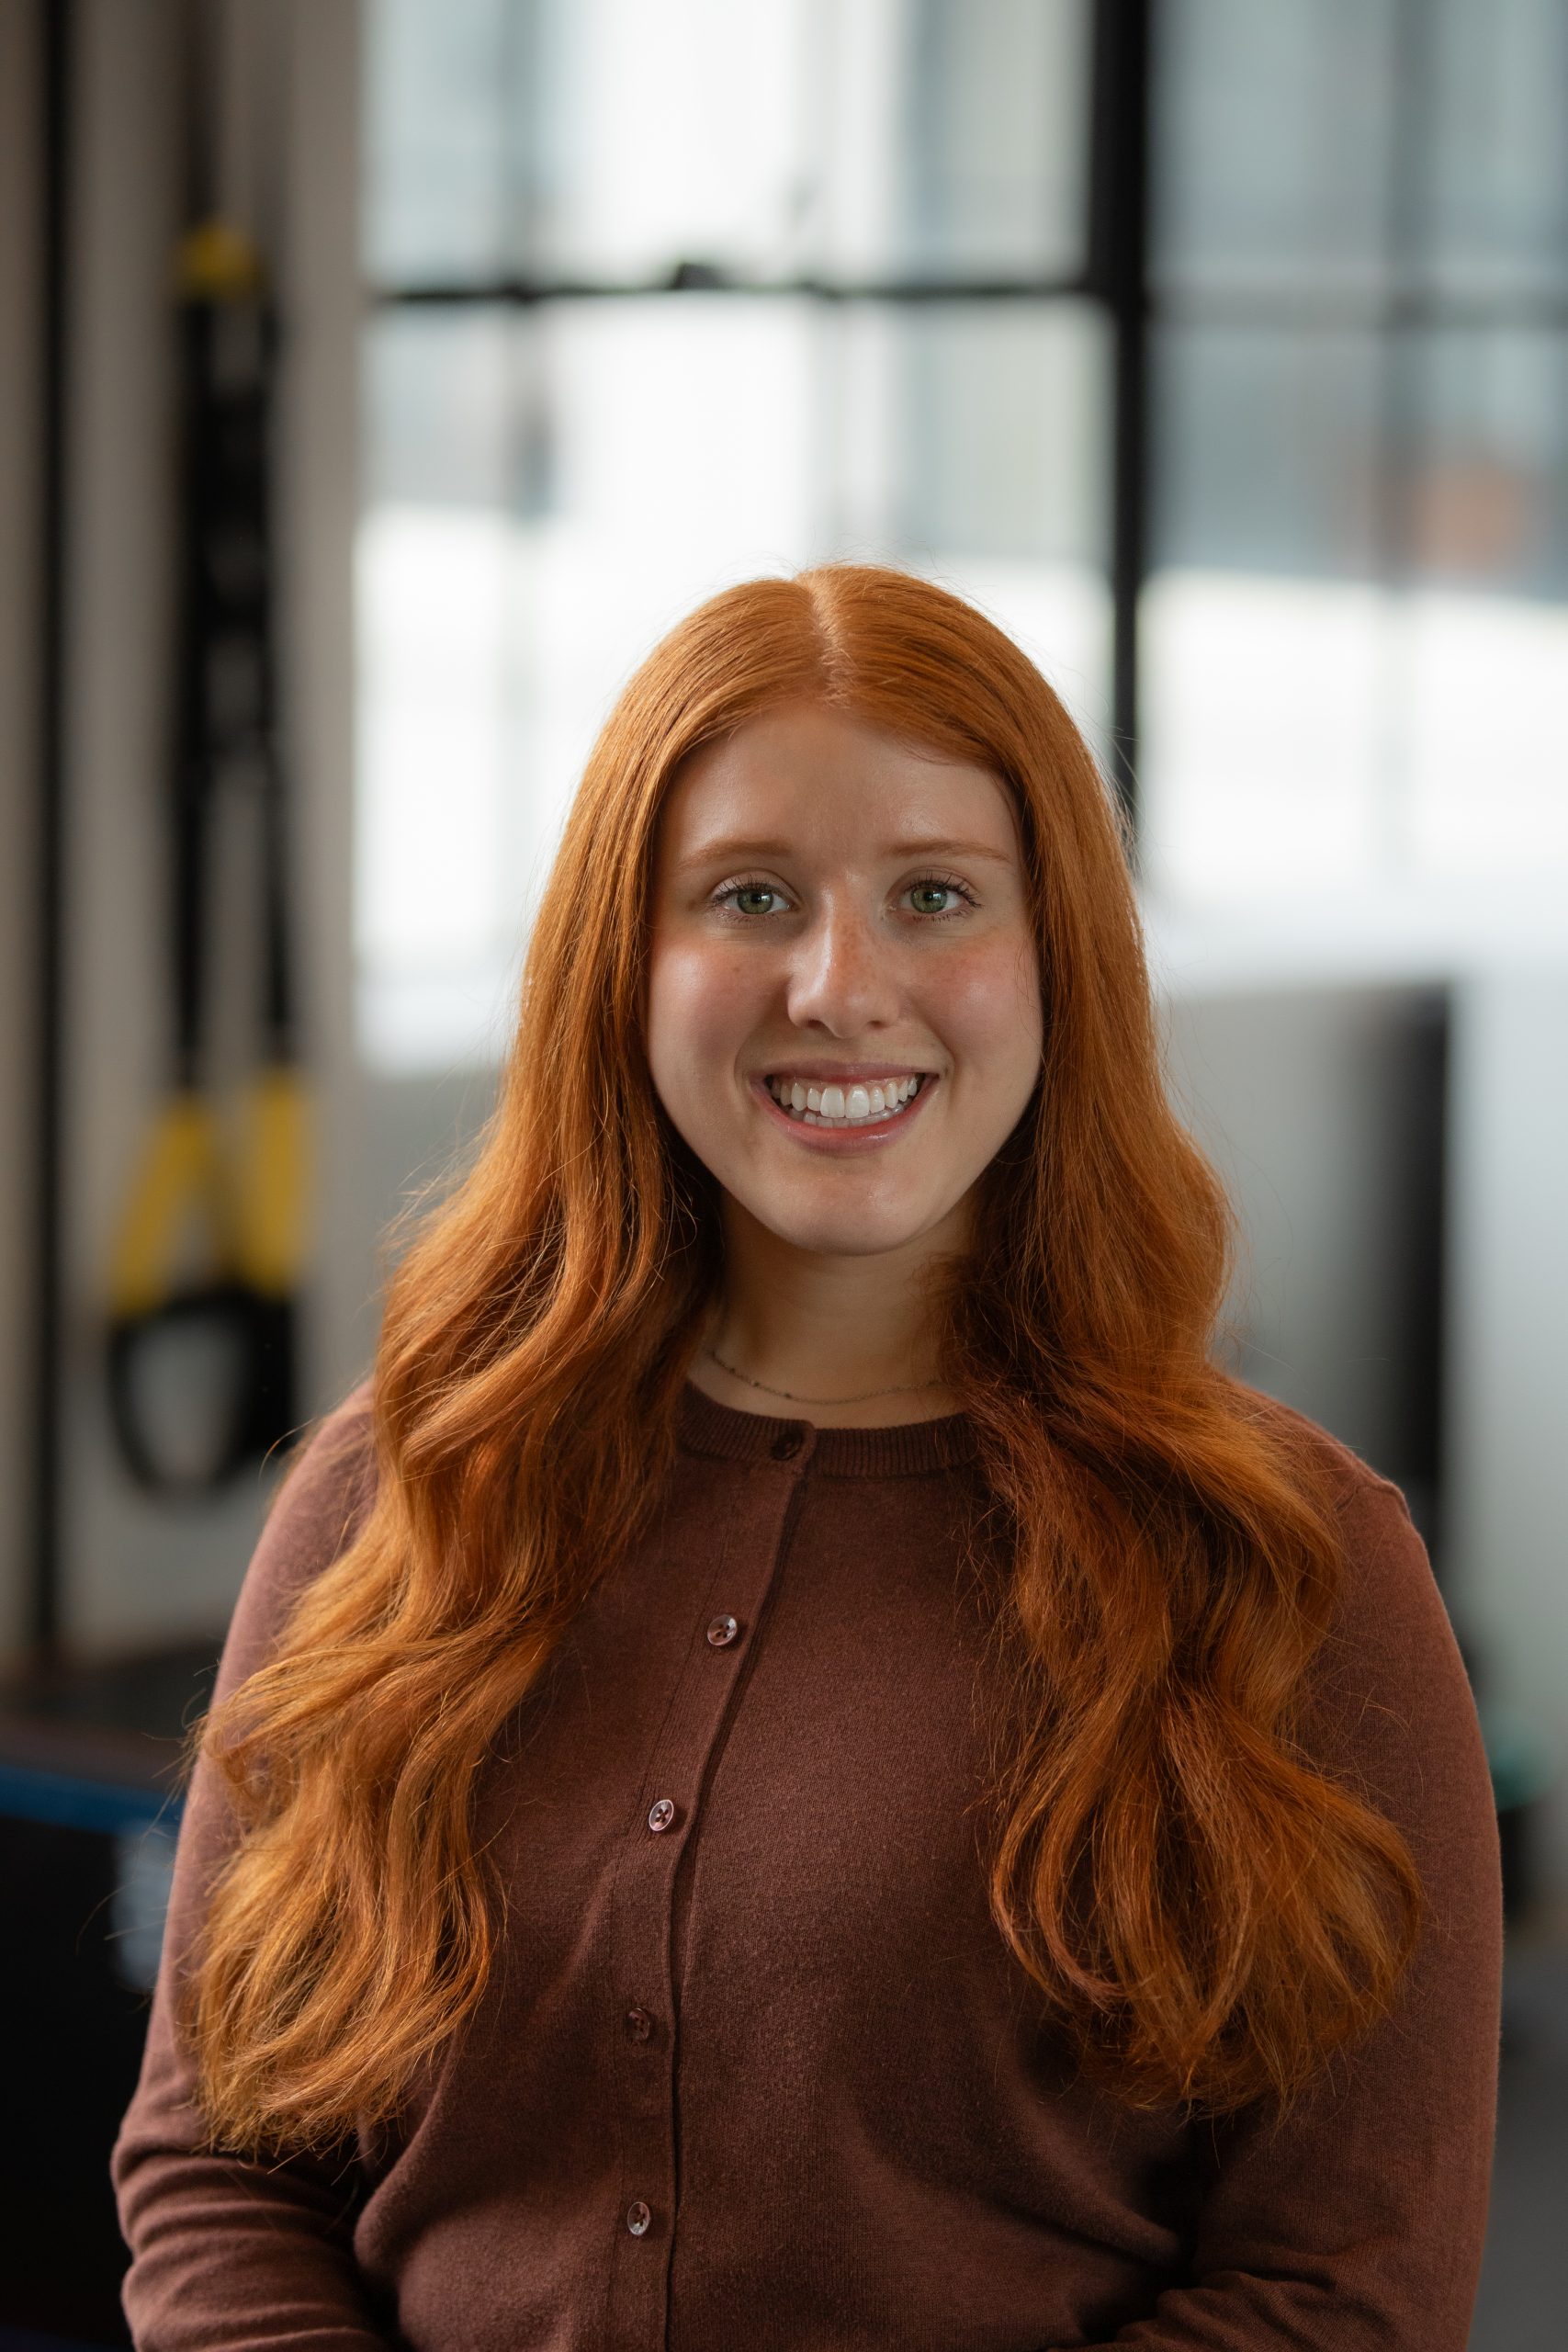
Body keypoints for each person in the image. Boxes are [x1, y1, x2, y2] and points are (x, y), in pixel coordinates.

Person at [111, 564, 1502, 2351]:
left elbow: (1339, 2289)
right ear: (623, 958)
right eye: (747, 895)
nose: (840, 985)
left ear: (1057, 953)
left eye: (933, 895)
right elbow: (221, 2160)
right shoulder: (396, 1496)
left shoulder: (1291, 1561)